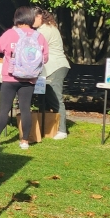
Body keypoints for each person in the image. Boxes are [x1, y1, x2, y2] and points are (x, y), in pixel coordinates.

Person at [0, 6, 48, 150]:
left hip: (10, 76)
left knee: (5, 108)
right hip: (30, 78)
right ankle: (24, 141)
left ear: (17, 18)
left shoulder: (10, 33)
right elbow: (45, 57)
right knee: (25, 109)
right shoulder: (39, 36)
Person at [35, 9, 70, 140]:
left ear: (40, 17)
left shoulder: (44, 30)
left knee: (56, 98)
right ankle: (46, 125)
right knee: (48, 98)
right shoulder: (49, 27)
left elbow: (34, 48)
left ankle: (62, 130)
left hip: (54, 66)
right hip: (55, 66)